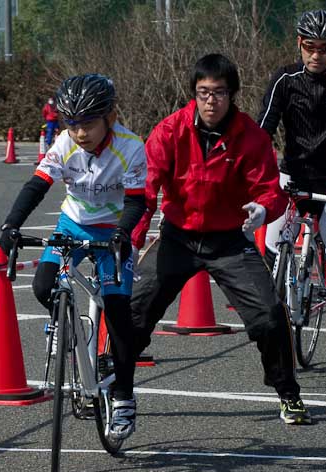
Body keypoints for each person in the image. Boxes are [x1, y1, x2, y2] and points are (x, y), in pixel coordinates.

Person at [131, 53, 312, 425]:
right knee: (134, 309)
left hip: (229, 240)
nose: (211, 100)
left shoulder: (251, 136)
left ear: (233, 95)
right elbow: (145, 190)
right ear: (194, 94)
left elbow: (270, 192)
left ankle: (287, 393)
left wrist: (264, 211)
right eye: (203, 92)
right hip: (177, 237)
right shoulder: (169, 130)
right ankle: (114, 383)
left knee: (270, 315)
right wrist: (130, 238)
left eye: (219, 92)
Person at [0, 74, 146, 441]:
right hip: (74, 224)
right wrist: (11, 224)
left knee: (117, 315)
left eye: (88, 123)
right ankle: (67, 323)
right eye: (73, 123)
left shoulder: (130, 147)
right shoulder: (64, 143)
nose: (80, 132)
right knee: (42, 285)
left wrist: (122, 234)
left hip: (114, 228)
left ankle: (125, 397)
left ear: (109, 117)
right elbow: (37, 185)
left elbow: (136, 201)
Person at [257, 10, 326, 379]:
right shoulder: (285, 79)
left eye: (325, 48)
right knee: (270, 255)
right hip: (291, 177)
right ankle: (273, 339)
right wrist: (259, 176)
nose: (316, 55)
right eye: (309, 47)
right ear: (299, 45)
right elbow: (262, 132)